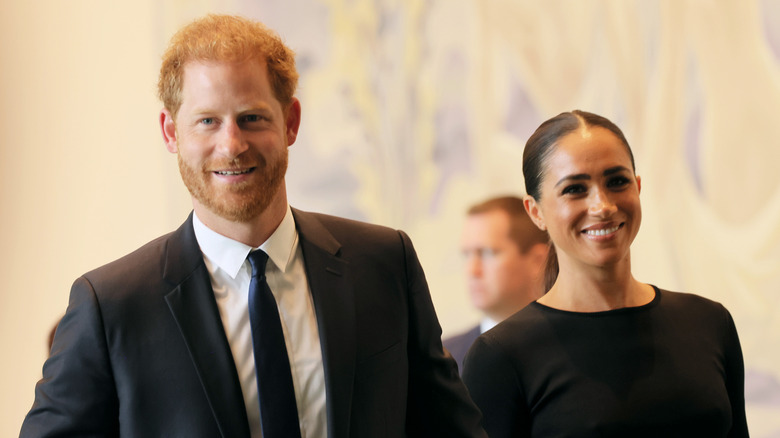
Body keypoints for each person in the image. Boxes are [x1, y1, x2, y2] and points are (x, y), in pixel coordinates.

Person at [20, 14, 486, 438]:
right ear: (171, 133)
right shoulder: (112, 306)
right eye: (207, 121)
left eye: (251, 118)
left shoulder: (384, 263)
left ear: (290, 123)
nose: (232, 144)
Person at [462, 110, 749, 437]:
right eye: (574, 189)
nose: (602, 205)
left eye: (616, 182)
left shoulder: (709, 322)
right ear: (536, 211)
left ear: (637, 187)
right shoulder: (501, 355)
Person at [443, 196, 548, 371]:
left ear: (538, 261)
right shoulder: (443, 359)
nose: (472, 270)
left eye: (487, 253)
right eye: (467, 255)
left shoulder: (573, 346)